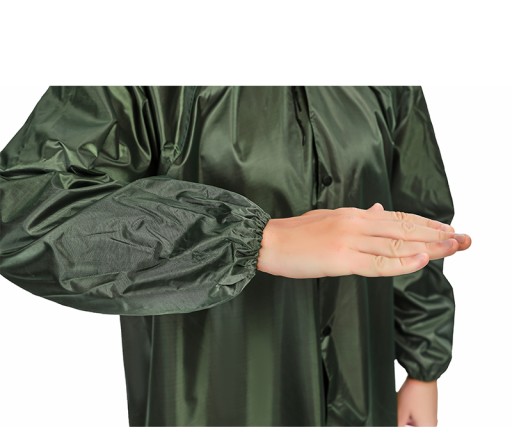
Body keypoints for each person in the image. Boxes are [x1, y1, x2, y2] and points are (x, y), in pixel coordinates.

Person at [0, 86, 471, 426]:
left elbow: (415, 221)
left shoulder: (388, 81)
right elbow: (23, 210)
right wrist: (253, 240)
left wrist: (423, 369)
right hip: (213, 403)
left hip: (363, 387)